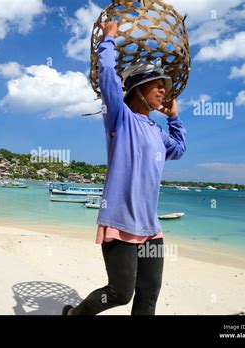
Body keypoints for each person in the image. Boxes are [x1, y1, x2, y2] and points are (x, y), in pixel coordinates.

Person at [62, 20, 186, 315]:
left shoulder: (157, 131)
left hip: (151, 228)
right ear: (138, 89)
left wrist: (173, 118)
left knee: (149, 294)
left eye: (164, 86)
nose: (162, 90)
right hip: (120, 223)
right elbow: (107, 77)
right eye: (157, 84)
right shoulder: (120, 119)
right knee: (120, 293)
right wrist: (108, 39)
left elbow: (179, 150)